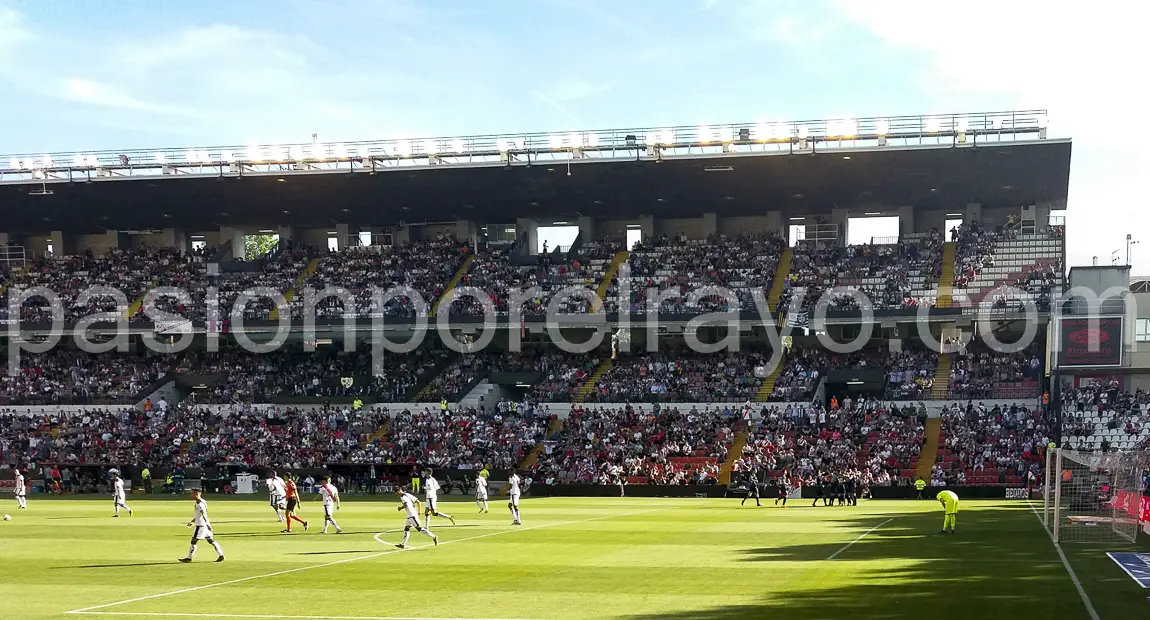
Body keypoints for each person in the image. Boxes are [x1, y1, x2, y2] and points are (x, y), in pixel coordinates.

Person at [179, 489, 225, 563]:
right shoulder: (203, 501)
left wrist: (208, 525)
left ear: (197, 494)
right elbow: (199, 515)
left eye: (193, 493)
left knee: (193, 541)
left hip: (200, 526)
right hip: (203, 525)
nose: (191, 495)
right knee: (211, 540)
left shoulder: (200, 504)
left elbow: (204, 515)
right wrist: (192, 521)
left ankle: (189, 558)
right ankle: (221, 555)